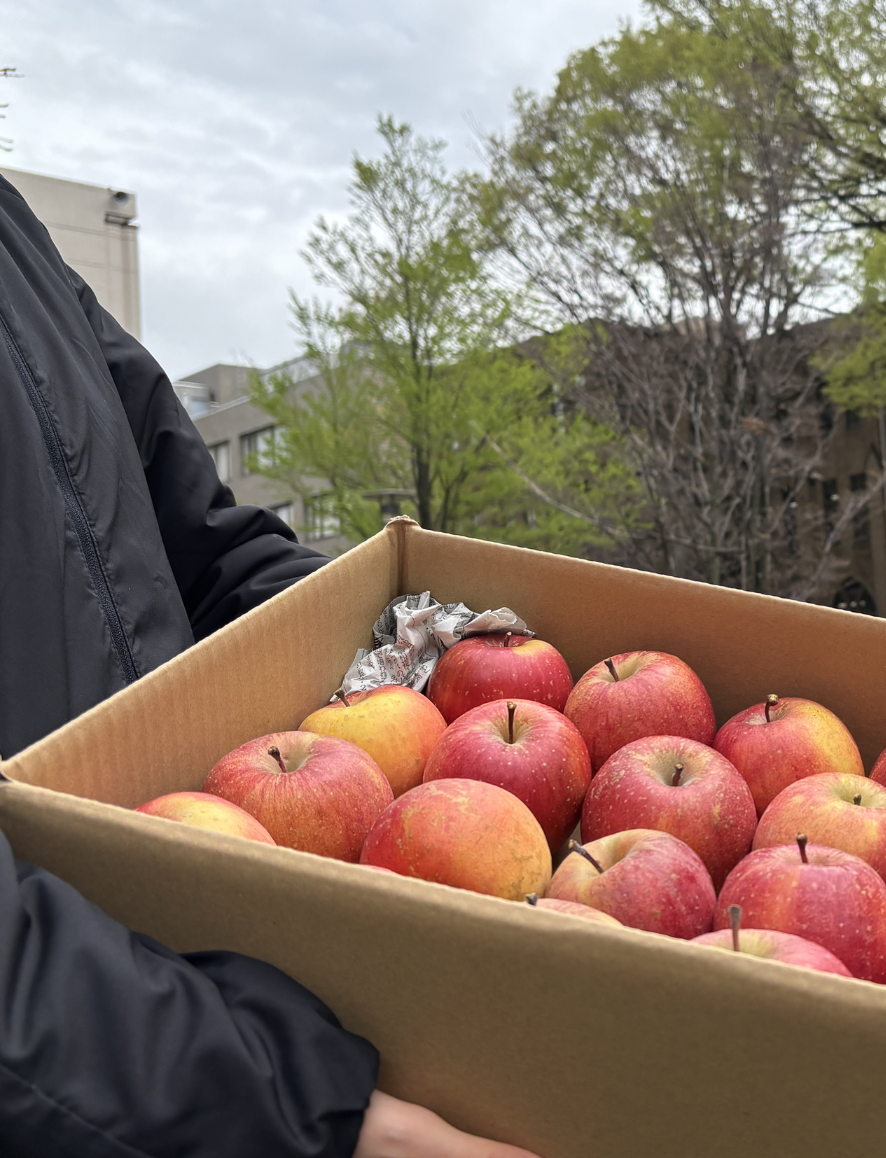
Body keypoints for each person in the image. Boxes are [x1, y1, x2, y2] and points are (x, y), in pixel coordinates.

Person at [0, 176, 535, 1158]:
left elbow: (210, 553)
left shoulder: (11, 236)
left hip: (200, 940)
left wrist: (452, 667)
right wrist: (297, 1111)